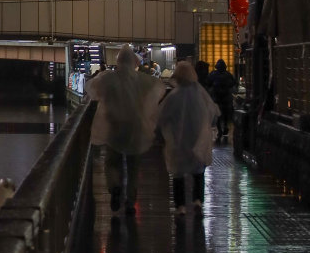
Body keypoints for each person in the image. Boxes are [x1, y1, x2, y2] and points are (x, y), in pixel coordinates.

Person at [86, 45, 162, 216]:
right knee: (133, 166)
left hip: (115, 127)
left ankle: (115, 188)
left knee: (112, 162)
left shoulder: (109, 78)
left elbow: (92, 89)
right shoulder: (142, 80)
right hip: (135, 128)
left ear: (118, 60)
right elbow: (158, 89)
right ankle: (130, 201)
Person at [157, 59, 219, 216]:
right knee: (198, 170)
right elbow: (213, 112)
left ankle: (180, 206)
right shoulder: (200, 94)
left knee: (178, 173)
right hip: (197, 138)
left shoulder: (174, 96)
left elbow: (162, 116)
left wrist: (161, 134)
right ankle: (197, 200)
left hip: (178, 141)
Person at [208, 57, 236, 144]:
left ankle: (220, 130)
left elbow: (208, 83)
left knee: (218, 116)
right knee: (226, 115)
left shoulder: (213, 74)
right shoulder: (228, 74)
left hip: (216, 99)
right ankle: (225, 127)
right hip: (226, 99)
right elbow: (233, 83)